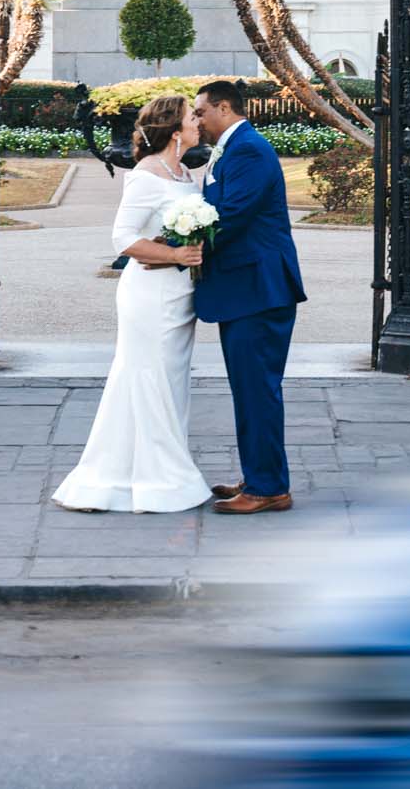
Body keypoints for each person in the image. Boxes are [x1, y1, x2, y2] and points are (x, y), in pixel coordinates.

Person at [51, 93, 212, 513]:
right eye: (191, 119)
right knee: (147, 378)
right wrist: (176, 255)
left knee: (169, 381)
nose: (198, 123)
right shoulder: (145, 174)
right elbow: (123, 238)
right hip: (151, 294)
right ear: (175, 133)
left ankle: (135, 474)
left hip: (179, 295)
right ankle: (156, 480)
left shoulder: (180, 174)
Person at [192, 78, 306, 514]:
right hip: (244, 289)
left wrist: (176, 242)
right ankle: (258, 474)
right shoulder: (234, 148)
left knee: (257, 390)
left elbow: (232, 214)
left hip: (258, 288)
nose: (197, 121)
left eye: (201, 112)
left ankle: (268, 488)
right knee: (249, 389)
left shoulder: (250, 150)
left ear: (223, 108)